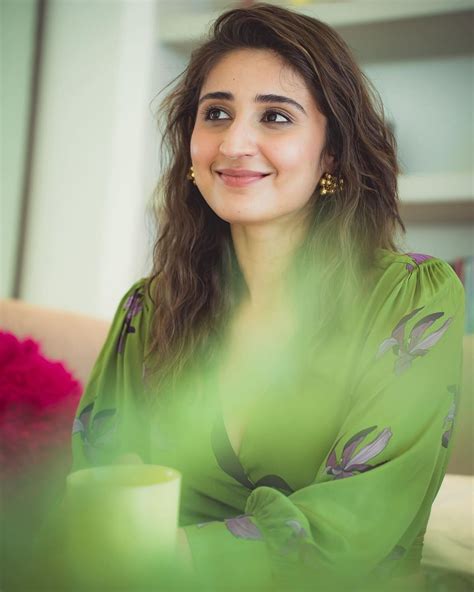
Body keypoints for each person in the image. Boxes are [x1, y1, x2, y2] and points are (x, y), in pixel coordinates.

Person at [70, 3, 465, 591]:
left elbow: (358, 528)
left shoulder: (411, 299)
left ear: (331, 152)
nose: (235, 142)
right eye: (216, 113)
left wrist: (166, 553)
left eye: (276, 117)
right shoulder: (148, 309)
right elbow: (98, 492)